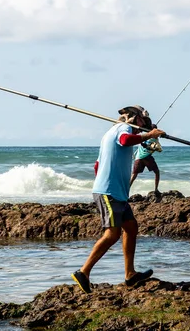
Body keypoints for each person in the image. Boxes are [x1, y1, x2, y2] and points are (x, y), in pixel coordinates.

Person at [71, 105, 166, 294]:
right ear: (135, 118)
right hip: (109, 192)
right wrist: (149, 135)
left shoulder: (109, 133)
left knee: (131, 227)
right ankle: (83, 272)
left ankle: (130, 274)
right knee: (112, 234)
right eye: (142, 122)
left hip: (116, 192)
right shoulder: (123, 129)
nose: (143, 126)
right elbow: (125, 140)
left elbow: (97, 165)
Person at [130, 124, 162, 194]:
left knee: (134, 175)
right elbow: (159, 149)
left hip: (138, 157)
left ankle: (126, 190)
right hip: (147, 157)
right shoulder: (155, 139)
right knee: (157, 172)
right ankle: (156, 190)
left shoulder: (143, 136)